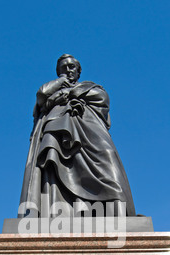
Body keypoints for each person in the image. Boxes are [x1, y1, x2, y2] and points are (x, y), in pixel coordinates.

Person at [19, 54, 135, 220]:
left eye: (71, 66)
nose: (68, 69)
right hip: (58, 130)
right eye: (63, 67)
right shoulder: (53, 88)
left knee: (108, 160)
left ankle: (115, 208)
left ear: (79, 71)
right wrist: (60, 83)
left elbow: (102, 98)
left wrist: (69, 93)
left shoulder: (90, 87)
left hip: (90, 131)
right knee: (57, 166)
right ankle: (64, 211)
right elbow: (41, 94)